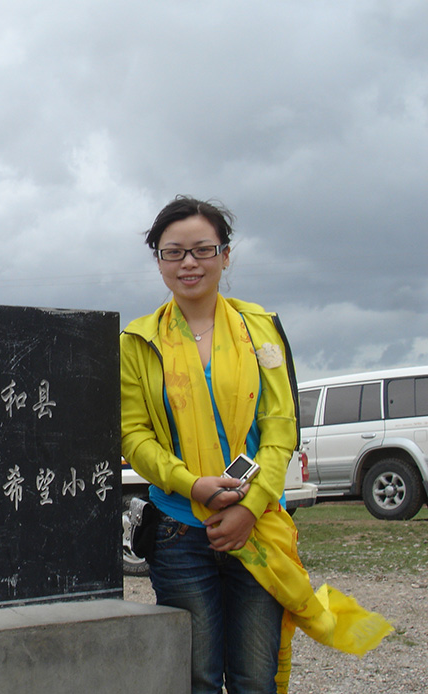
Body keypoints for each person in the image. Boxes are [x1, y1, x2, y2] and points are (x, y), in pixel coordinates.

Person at [120, 196, 391, 694]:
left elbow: (280, 425)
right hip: (180, 532)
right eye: (173, 252)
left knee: (254, 677)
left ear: (225, 255)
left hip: (257, 522)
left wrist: (253, 504)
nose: (189, 263)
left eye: (202, 249)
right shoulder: (137, 342)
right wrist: (194, 484)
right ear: (157, 259)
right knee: (194, 677)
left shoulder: (261, 329)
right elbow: (135, 436)